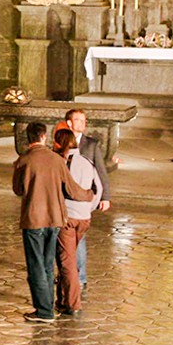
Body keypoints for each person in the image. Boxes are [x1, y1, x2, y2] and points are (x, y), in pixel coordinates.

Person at [12, 121, 93, 323]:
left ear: (28, 138)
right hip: (55, 218)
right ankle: (48, 306)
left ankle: (44, 310)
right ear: (44, 137)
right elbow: (73, 189)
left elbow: (18, 190)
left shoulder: (23, 161)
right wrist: (89, 195)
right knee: (48, 263)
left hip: (33, 219)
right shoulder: (57, 160)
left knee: (36, 265)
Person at [53, 128, 104, 317]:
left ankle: (73, 303)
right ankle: (63, 298)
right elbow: (97, 188)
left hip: (67, 217)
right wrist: (89, 208)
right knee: (68, 257)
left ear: (59, 143)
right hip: (84, 217)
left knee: (67, 261)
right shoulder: (86, 162)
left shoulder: (61, 163)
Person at [64, 108, 112, 292]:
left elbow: (101, 171)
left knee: (79, 239)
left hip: (83, 199)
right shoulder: (62, 142)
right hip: (67, 199)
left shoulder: (91, 144)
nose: (82, 123)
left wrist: (105, 196)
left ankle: (81, 277)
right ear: (69, 123)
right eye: (78, 120)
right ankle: (68, 273)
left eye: (84, 120)